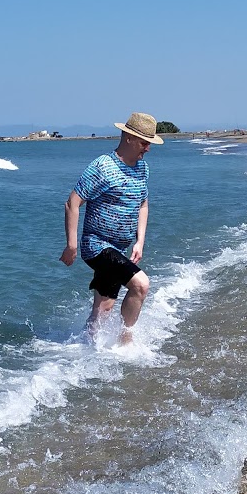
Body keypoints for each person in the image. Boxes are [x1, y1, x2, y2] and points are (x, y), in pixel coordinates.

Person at [60, 111, 162, 344]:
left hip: (119, 247)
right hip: (96, 246)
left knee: (103, 307)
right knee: (140, 285)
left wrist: (140, 241)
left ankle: (84, 350)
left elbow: (143, 204)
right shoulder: (103, 167)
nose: (147, 148)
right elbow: (72, 202)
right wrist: (71, 245)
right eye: (145, 143)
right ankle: (125, 341)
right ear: (129, 138)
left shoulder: (142, 169)